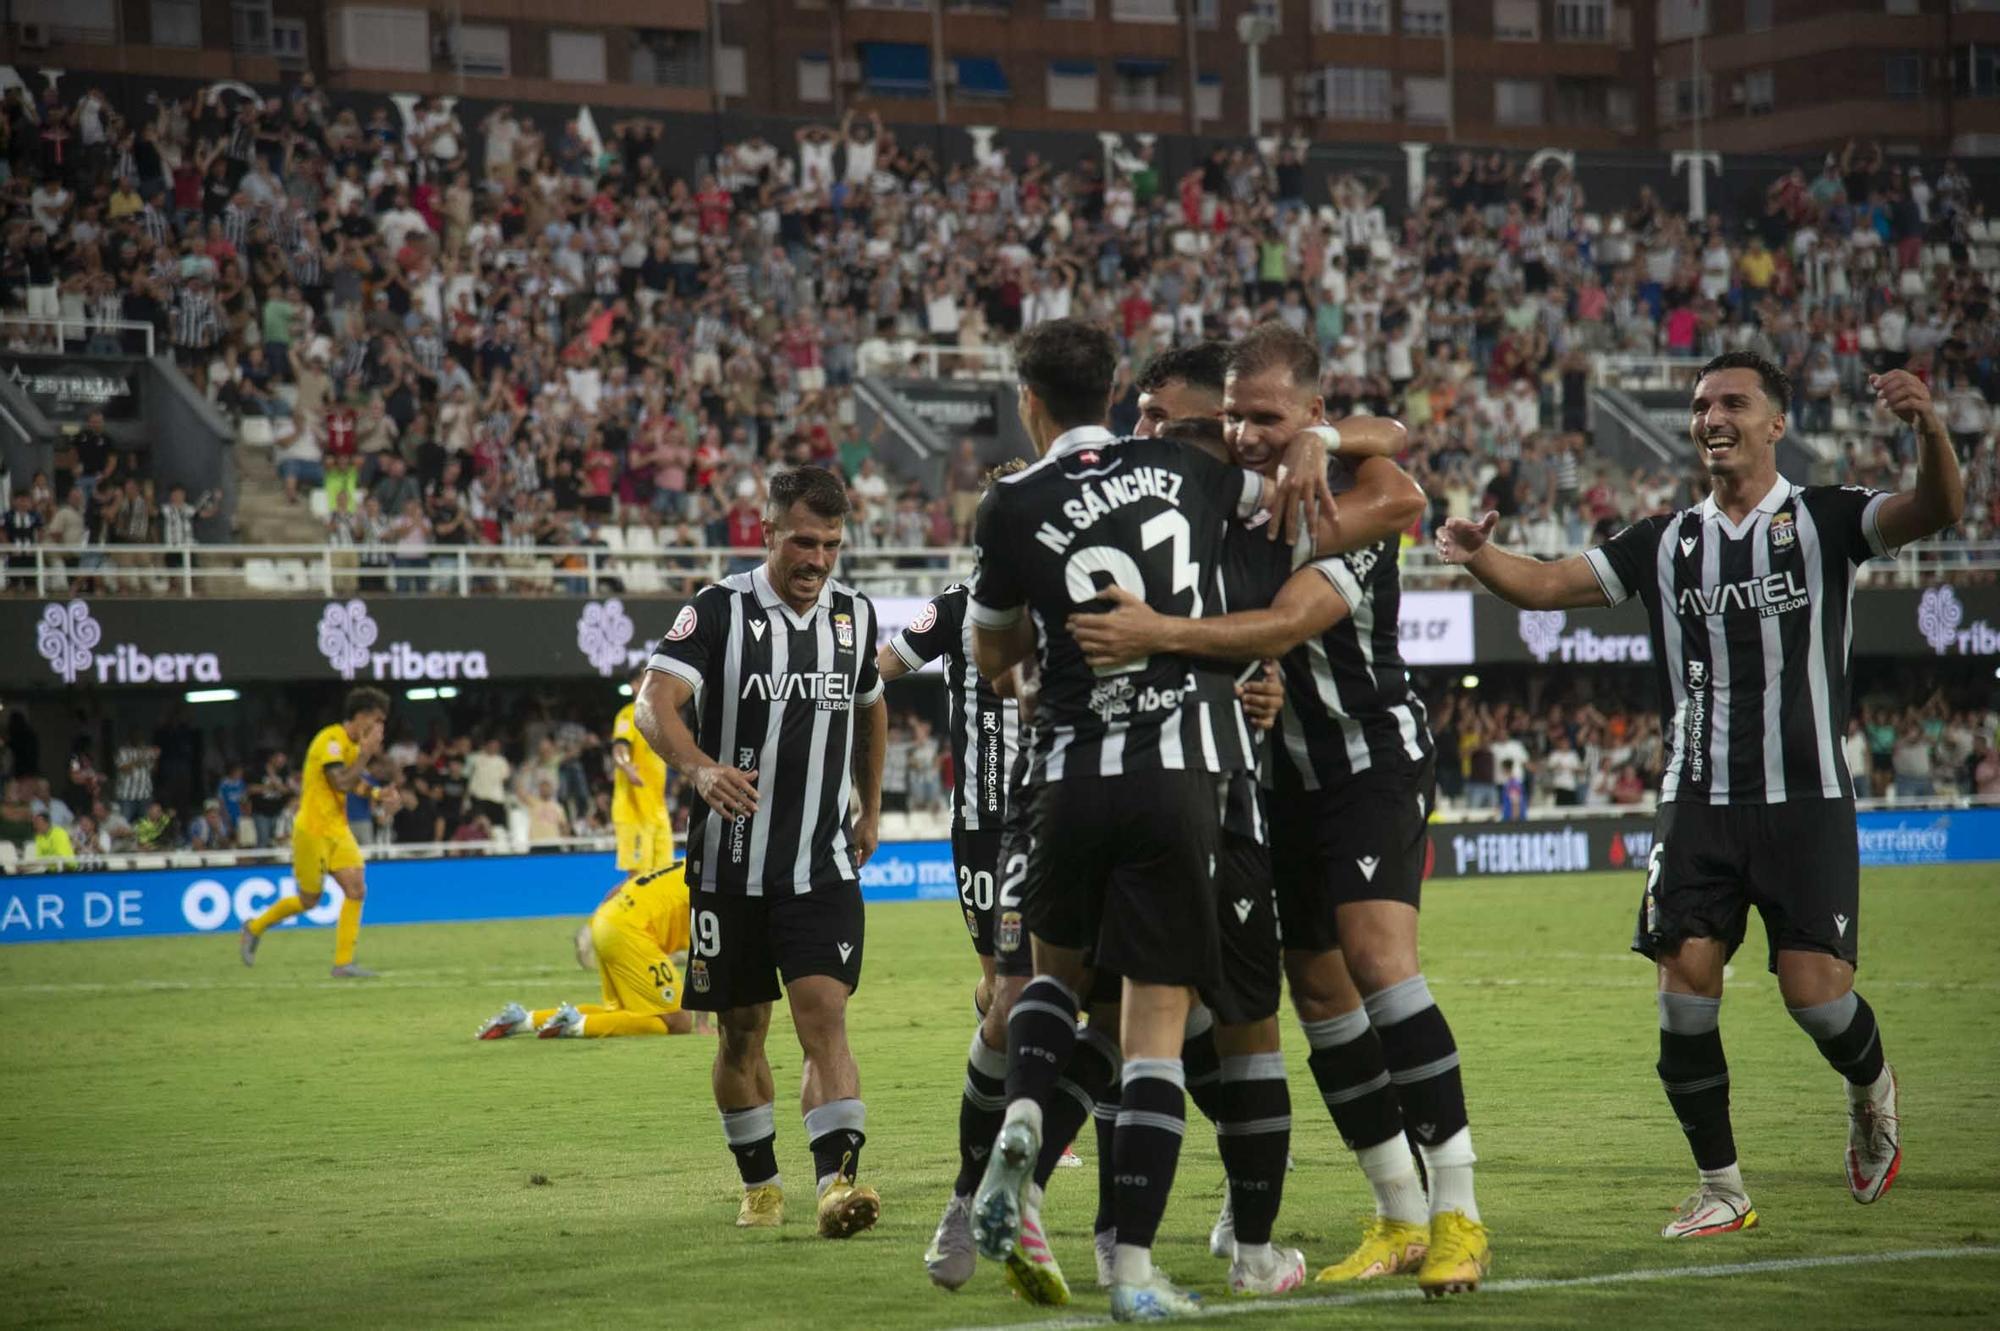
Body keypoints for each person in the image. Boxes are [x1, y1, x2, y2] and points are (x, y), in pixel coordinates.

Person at [1437, 352, 1965, 1237]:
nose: (1711, 417)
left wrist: (1931, 429)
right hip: (1696, 802)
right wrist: (1479, 555)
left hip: (1806, 801)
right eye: (1699, 405)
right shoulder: (1664, 542)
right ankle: (1722, 1187)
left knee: (1816, 997)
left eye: (1732, 402)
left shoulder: (1827, 518)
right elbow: (1548, 584)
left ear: (1776, 424)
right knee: (1683, 996)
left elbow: (1939, 508)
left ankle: (1870, 1087)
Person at [1070, 323, 1488, 1299]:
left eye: (1267, 418)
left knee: (1376, 956)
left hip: (1365, 759)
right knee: (1318, 992)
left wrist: (1159, 632)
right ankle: (1397, 1210)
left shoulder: (1344, 499)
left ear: (1311, 413)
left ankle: (1459, 1210)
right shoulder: (1235, 499)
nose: (1247, 435)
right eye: (1233, 418)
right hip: (1274, 778)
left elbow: (1298, 610)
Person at [963, 318, 1331, 1322]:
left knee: (1053, 981)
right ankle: (1131, 1272)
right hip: (1177, 778)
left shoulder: (1010, 502)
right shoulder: (1183, 470)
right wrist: (1312, 437)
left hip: (1066, 774)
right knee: (1155, 1033)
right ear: (1117, 388)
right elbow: (1289, 496)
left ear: (1028, 400)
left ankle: (1025, 1116)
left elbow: (992, 656)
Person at [635, 465, 888, 1240]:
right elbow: (653, 703)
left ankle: (837, 1184)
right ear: (767, 531)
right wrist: (698, 767)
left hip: (820, 863)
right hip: (729, 866)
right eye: (804, 542)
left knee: (824, 1018)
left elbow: (871, 708)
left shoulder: (855, 615)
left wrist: (870, 806)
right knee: (742, 1031)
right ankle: (761, 1185)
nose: (818, 560)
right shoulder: (718, 609)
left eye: (832, 545)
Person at [239, 688, 397, 977]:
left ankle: (343, 964)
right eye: (377, 720)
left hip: (337, 828)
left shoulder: (351, 746)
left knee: (356, 889)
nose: (380, 728)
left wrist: (378, 793)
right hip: (312, 830)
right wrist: (365, 754)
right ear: (361, 717)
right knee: (309, 900)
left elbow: (353, 783)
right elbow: (340, 782)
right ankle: (254, 927)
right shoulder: (330, 741)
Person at [477, 862, 703, 1039]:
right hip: (631, 932)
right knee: (679, 1023)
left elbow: (620, 888)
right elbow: (707, 958)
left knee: (625, 1013)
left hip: (607, 920)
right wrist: (703, 1023)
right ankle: (576, 1026)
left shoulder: (687, 864)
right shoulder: (714, 886)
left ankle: (523, 1020)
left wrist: (593, 926)